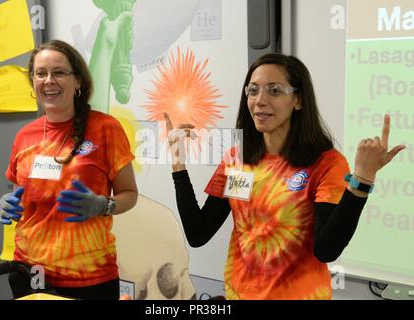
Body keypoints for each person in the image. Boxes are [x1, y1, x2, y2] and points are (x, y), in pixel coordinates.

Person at [164, 53, 405, 300]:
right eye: (253, 90)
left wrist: (363, 180)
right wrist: (178, 166)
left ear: (298, 100)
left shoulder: (326, 163)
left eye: (275, 91)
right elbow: (198, 233)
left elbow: (326, 250)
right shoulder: (237, 159)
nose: (260, 101)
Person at [0, 39, 138, 300]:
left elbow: (129, 193)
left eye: (59, 72)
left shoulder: (106, 129)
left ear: (78, 82)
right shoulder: (24, 136)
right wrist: (7, 206)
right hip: (29, 272)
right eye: (41, 73)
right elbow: (22, 201)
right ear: (33, 82)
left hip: (89, 276)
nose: (48, 80)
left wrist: (103, 206)